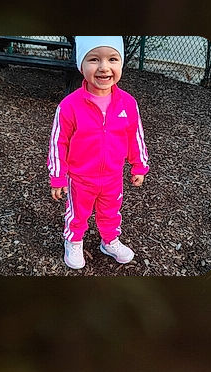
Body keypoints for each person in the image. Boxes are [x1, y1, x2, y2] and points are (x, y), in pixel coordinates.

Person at [47, 35, 148, 270]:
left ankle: (109, 241)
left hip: (112, 176)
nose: (104, 67)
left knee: (111, 212)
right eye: (93, 59)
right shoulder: (69, 106)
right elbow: (58, 143)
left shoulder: (128, 104)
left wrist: (139, 165)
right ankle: (74, 241)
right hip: (80, 178)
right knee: (77, 214)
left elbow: (135, 136)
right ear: (81, 65)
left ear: (121, 63)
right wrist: (58, 177)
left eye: (112, 59)